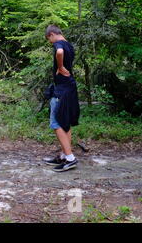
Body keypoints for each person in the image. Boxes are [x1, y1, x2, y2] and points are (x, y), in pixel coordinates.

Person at [43, 25, 80, 172]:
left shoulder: (59, 45)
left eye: (49, 40)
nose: (51, 42)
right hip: (70, 87)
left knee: (56, 122)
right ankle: (64, 155)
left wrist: (59, 67)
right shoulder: (69, 45)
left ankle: (70, 158)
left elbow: (59, 52)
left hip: (61, 90)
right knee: (65, 122)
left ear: (52, 35)